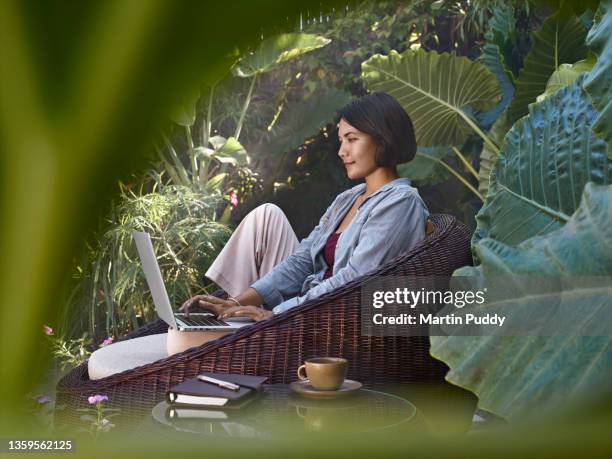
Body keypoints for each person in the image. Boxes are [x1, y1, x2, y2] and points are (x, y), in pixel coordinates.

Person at [168, 92, 429, 355]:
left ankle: (230, 337)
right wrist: (239, 301)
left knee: (182, 346)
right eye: (341, 141)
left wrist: (276, 313)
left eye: (352, 139)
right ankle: (229, 316)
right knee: (266, 215)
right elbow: (303, 259)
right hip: (305, 301)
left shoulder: (400, 202)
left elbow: (353, 281)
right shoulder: (348, 198)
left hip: (328, 321)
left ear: (383, 139)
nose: (342, 151)